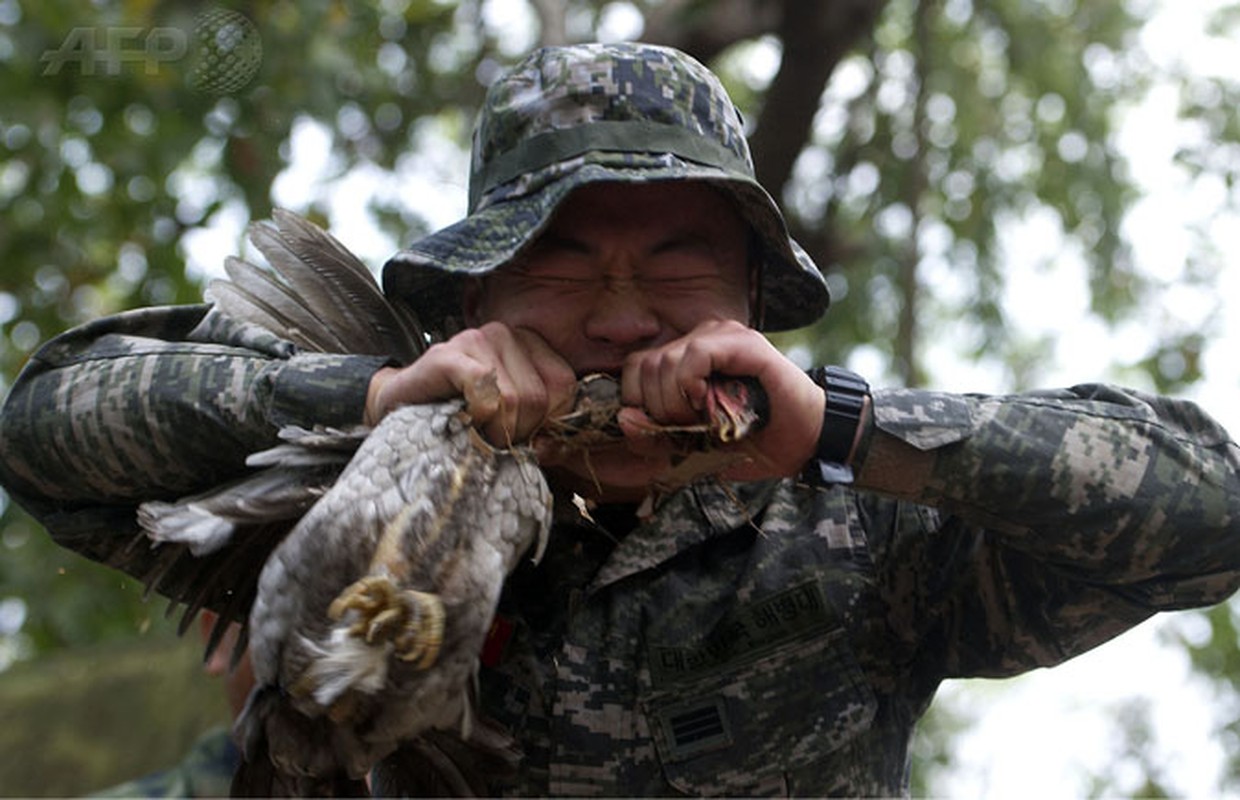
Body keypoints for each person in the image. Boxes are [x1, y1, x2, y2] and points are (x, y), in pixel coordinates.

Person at [2, 41, 1239, 796]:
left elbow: (1209, 514)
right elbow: (45, 430)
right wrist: (368, 398)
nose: (619, 314)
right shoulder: (364, 468)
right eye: (559, 259)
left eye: (676, 261)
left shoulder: (857, 521)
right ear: (476, 295)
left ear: (753, 298)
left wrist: (843, 435)